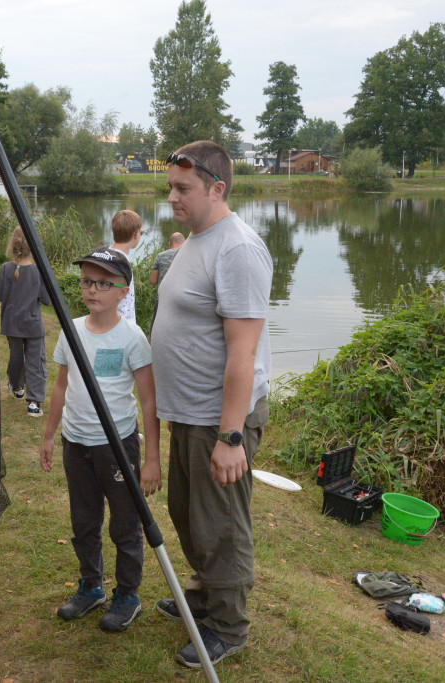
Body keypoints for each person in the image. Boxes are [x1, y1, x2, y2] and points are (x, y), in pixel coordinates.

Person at [150, 140, 272, 668]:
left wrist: (231, 437)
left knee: (220, 525)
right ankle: (203, 594)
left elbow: (243, 353)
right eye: (171, 187)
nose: (171, 197)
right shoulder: (200, 239)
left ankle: (228, 625)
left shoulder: (238, 249)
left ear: (216, 188)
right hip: (189, 412)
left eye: (183, 188)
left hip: (218, 419)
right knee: (188, 512)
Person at [39, 247, 160, 633]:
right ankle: (91, 586)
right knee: (83, 521)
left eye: (104, 283)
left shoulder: (132, 338)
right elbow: (60, 386)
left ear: (124, 292)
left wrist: (152, 459)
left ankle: (128, 594)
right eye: (88, 281)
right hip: (76, 443)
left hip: (118, 447)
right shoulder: (71, 330)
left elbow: (149, 400)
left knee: (125, 524)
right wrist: (49, 436)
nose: (93, 290)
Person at [0, 226, 51, 417]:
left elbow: (0, 295)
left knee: (16, 358)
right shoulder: (38, 271)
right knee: (36, 361)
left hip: (12, 324)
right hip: (33, 325)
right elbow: (47, 300)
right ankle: (34, 403)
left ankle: (17, 387)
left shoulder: (5, 268)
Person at [108, 209, 143, 324]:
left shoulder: (107, 255)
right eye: (140, 232)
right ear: (136, 235)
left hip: (108, 323)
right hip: (122, 327)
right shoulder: (122, 263)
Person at [148, 231, 184, 329]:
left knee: (156, 327)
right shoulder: (189, 256)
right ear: (184, 243)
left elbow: (153, 281)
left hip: (162, 299)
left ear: (169, 243)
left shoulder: (161, 256)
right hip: (182, 299)